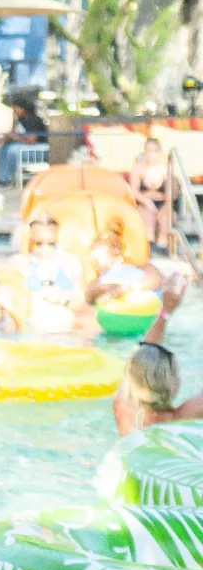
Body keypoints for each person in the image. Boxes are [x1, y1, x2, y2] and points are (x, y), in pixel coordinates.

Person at [112, 273, 194, 436]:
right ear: (173, 385)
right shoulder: (183, 418)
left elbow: (142, 354)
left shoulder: (122, 409)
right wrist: (168, 309)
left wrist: (165, 311)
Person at [86, 225, 163, 305]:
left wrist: (122, 289)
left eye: (97, 256)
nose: (92, 258)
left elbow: (155, 281)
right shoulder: (101, 279)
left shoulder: (139, 270)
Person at [0, 98, 49, 187]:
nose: (14, 111)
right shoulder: (20, 120)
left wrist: (16, 137)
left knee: (12, 150)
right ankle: (0, 177)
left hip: (39, 149)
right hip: (26, 147)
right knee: (3, 148)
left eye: (16, 108)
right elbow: (14, 134)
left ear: (24, 108)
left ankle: (7, 179)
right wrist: (5, 139)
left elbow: (32, 140)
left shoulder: (33, 119)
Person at [129, 137, 172, 250]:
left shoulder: (166, 168)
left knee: (165, 218)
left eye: (154, 150)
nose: (151, 154)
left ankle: (162, 246)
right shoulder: (139, 168)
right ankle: (149, 245)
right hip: (144, 202)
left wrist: (165, 207)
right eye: (148, 150)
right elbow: (134, 191)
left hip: (162, 202)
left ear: (159, 152)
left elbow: (172, 192)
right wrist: (147, 202)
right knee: (147, 218)